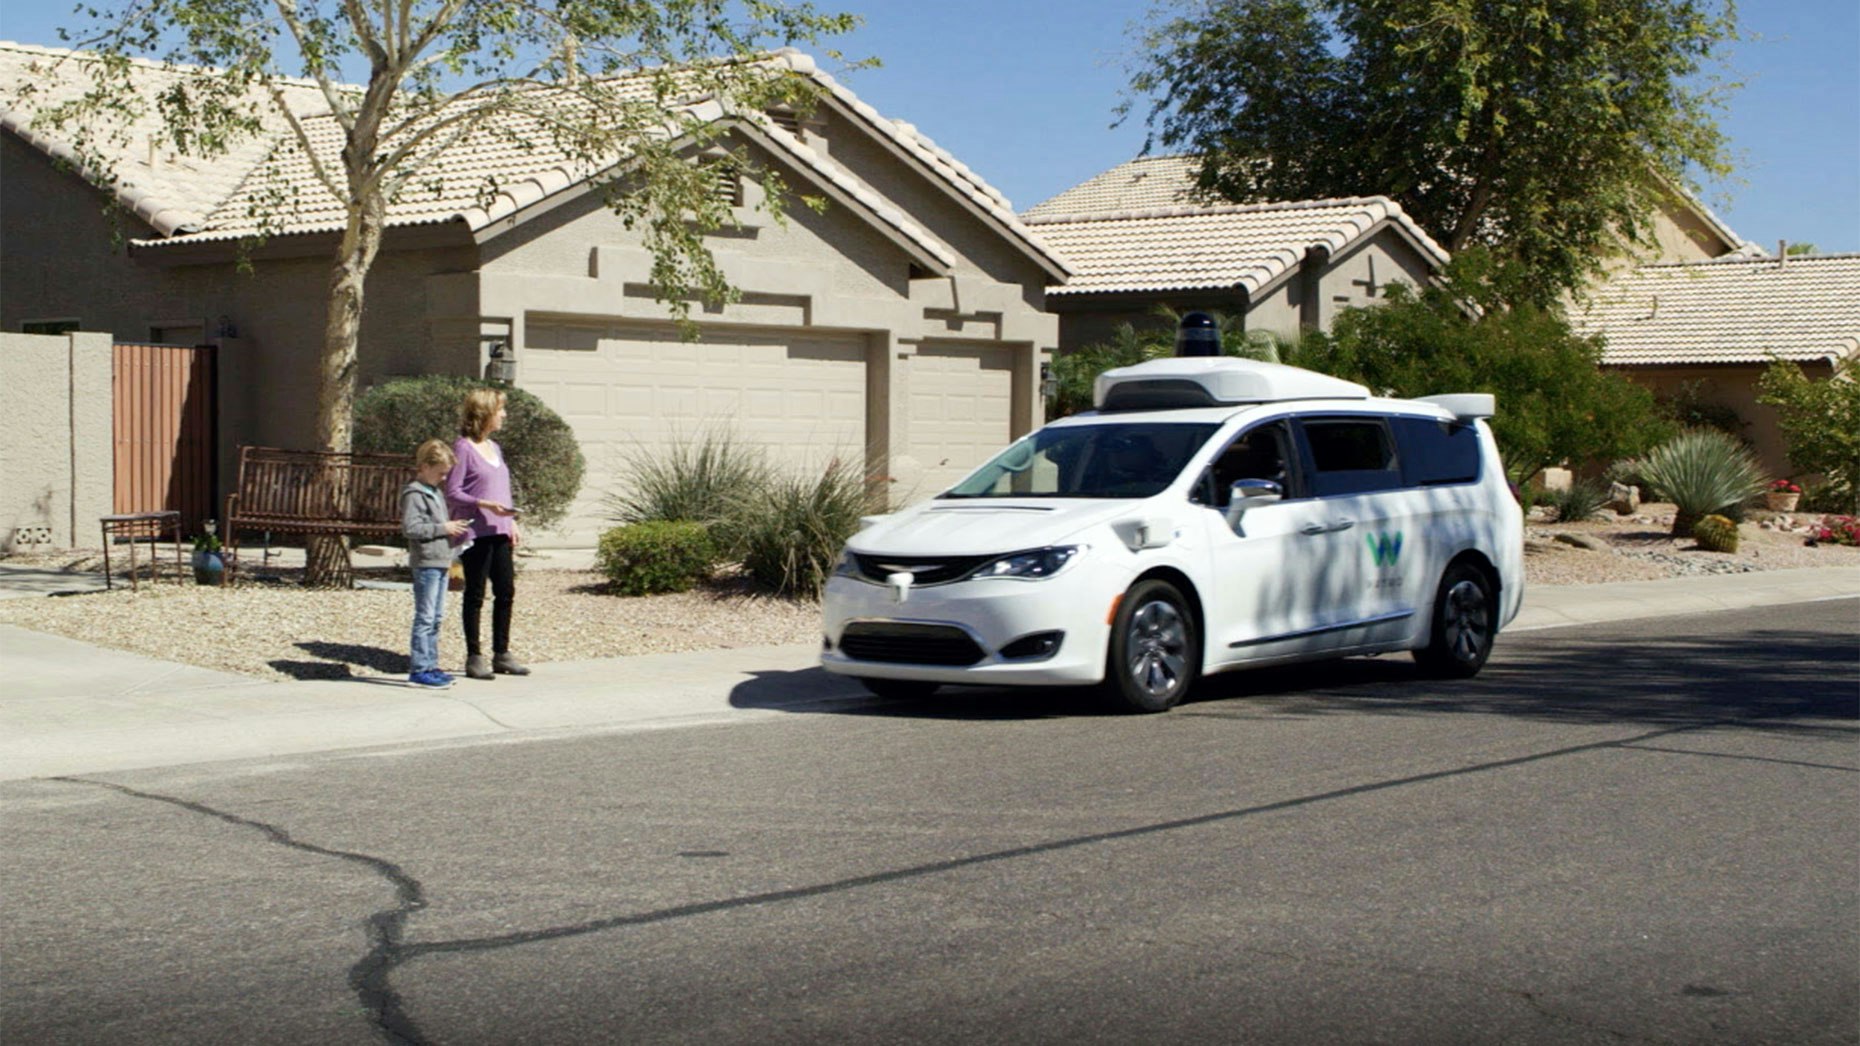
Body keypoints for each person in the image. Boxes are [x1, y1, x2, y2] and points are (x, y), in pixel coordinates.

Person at [447, 387, 530, 680]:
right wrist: (482, 504)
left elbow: (501, 490)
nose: (504, 414)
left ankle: (502, 653)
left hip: (500, 531)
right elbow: (453, 491)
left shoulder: (495, 448)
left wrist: (511, 522)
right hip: (476, 533)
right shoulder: (463, 448)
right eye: (500, 410)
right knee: (475, 594)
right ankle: (474, 656)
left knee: (506, 591)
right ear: (485, 413)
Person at [402, 440, 470, 689]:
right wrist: (443, 528)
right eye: (440, 472)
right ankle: (419, 669)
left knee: (436, 617)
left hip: (441, 559)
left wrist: (455, 532)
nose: (443, 478)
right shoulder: (415, 493)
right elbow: (412, 528)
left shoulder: (436, 492)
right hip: (427, 562)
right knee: (425, 616)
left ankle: (431, 664)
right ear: (424, 466)